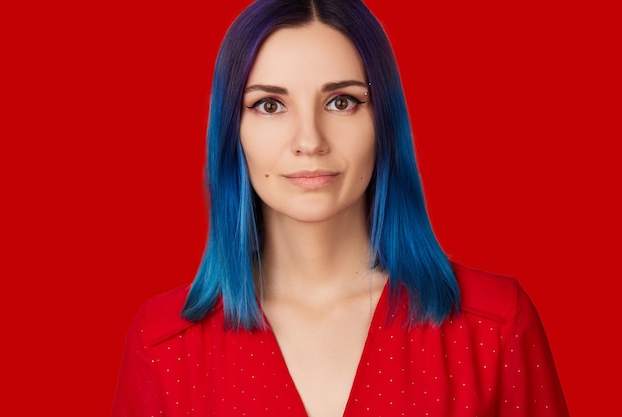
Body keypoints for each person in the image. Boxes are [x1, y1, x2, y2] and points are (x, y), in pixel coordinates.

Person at [111, 0, 569, 416]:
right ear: (233, 132)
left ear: (383, 122)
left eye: (341, 102)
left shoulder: (493, 328)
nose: (310, 141)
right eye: (270, 105)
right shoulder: (163, 345)